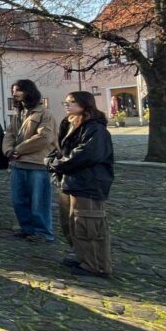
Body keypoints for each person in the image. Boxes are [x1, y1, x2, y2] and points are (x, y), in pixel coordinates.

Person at [48, 92, 114, 277]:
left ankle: (97, 265)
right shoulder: (69, 125)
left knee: (88, 225)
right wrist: (51, 160)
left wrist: (58, 164)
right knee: (71, 224)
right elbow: (59, 149)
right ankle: (82, 255)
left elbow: (86, 154)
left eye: (72, 102)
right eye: (66, 102)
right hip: (69, 181)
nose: (67, 105)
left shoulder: (95, 129)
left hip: (88, 184)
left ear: (85, 104)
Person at [3, 79, 57, 241]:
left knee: (39, 201)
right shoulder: (18, 114)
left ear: (29, 91)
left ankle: (43, 232)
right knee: (19, 200)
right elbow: (9, 134)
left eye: (18, 90)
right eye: (13, 91)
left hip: (37, 163)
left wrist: (18, 150)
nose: (15, 94)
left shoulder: (44, 114)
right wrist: (8, 150)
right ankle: (27, 228)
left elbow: (44, 137)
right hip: (17, 163)